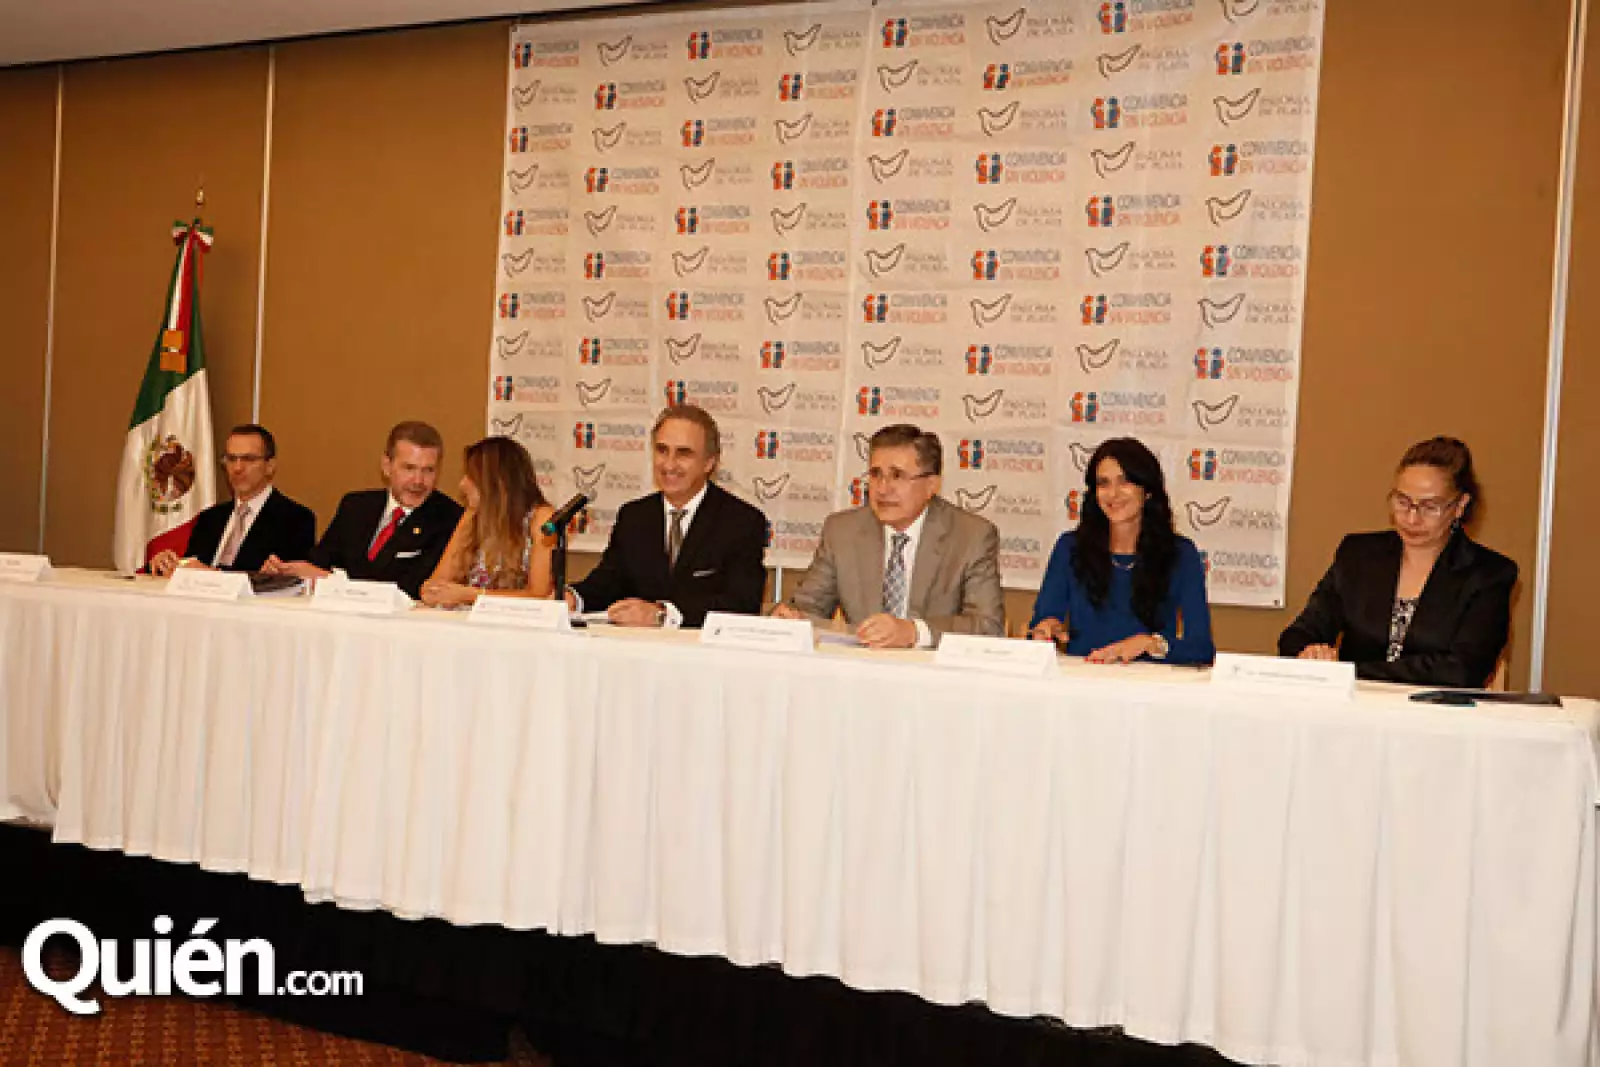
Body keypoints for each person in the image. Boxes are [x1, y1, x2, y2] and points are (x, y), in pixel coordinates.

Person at [1278, 436, 1517, 686]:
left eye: (1429, 507)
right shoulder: (1358, 555)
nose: (1412, 518)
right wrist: (1310, 652)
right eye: (1403, 502)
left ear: (1459, 506)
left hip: (1437, 717)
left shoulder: (1490, 573)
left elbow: (1462, 670)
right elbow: (1298, 635)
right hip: (1355, 713)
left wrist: (1349, 672)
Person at [774, 424, 1004, 648]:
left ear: (931, 485)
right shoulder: (842, 531)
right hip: (860, 672)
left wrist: (914, 632)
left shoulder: (972, 536)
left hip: (935, 677)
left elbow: (987, 626)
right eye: (876, 475)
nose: (883, 489)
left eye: (897, 476)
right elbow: (809, 606)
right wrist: (793, 617)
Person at [567, 404, 767, 627]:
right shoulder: (634, 517)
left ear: (709, 463)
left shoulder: (741, 522)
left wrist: (663, 614)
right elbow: (608, 581)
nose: (669, 465)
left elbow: (742, 603)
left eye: (683, 453)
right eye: (662, 450)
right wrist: (574, 598)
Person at [1028, 437, 1214, 664]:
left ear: (1147, 491)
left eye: (1125, 482)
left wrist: (1149, 644)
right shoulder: (1070, 548)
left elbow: (1202, 649)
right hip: (1083, 683)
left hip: (1149, 688)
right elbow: (1043, 621)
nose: (1113, 494)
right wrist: (1046, 629)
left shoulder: (1181, 554)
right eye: (1103, 483)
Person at [262, 421, 462, 599]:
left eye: (428, 470)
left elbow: (409, 590)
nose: (418, 481)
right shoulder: (356, 506)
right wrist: (287, 572)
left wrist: (330, 580)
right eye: (409, 468)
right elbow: (319, 563)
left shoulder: (449, 519)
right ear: (386, 466)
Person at [150, 423, 315, 576]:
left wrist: (213, 576)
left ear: (270, 466)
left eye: (248, 459)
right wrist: (170, 564)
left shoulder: (295, 519)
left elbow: (284, 583)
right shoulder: (210, 518)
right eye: (231, 459)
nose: (237, 468)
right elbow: (192, 566)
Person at [420, 436, 555, 608]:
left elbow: (539, 595)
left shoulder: (541, 517)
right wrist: (434, 591)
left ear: (495, 482)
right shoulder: (473, 515)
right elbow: (437, 583)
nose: (462, 485)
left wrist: (471, 595)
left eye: (470, 476)